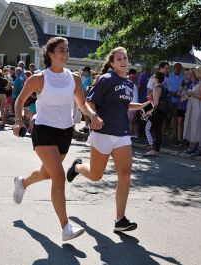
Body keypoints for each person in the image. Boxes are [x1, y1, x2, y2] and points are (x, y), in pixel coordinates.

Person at [12, 37, 102, 241]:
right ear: (50, 53)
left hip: (65, 133)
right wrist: (18, 121)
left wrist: (92, 115)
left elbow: (81, 104)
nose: (66, 54)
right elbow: (19, 100)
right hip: (43, 131)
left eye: (67, 50)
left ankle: (22, 183)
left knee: (46, 174)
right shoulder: (39, 78)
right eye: (61, 50)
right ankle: (65, 227)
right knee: (59, 177)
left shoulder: (75, 78)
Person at [66, 47, 151, 232]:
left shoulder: (129, 83)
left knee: (125, 174)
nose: (123, 61)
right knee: (96, 176)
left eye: (125, 57)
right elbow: (89, 101)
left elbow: (124, 105)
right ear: (112, 63)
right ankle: (77, 167)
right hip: (102, 132)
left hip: (122, 134)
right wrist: (94, 116)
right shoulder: (106, 79)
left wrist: (142, 106)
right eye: (119, 58)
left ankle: (120, 220)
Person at [183, 66, 201, 156]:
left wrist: (192, 93)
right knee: (196, 127)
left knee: (199, 127)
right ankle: (195, 147)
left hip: (200, 108)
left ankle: (199, 148)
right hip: (197, 107)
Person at [143, 72, 167, 157]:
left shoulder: (156, 88)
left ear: (157, 79)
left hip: (156, 113)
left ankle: (152, 149)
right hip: (161, 113)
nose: (151, 79)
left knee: (148, 129)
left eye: (153, 77)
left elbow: (156, 104)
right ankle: (156, 151)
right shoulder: (163, 88)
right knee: (157, 132)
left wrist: (147, 111)